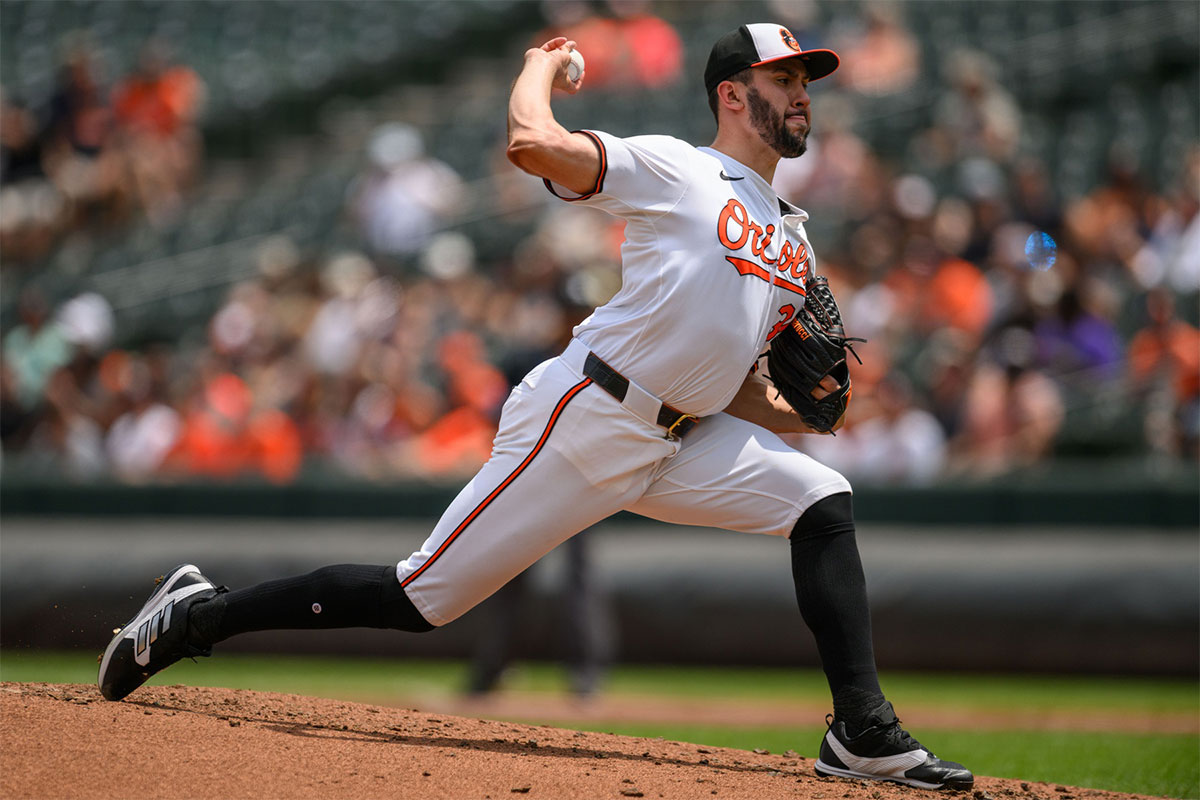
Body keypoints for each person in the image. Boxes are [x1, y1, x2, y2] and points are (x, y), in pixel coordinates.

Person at [98, 24, 973, 790]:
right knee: (420, 597)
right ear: (734, 95)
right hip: (587, 416)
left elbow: (730, 374)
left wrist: (802, 413)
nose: (800, 95)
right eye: (784, 80)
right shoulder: (679, 169)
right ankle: (197, 615)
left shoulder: (793, 234)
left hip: (680, 440)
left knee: (821, 499)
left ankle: (858, 731)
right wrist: (539, 66)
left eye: (805, 82)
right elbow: (530, 143)